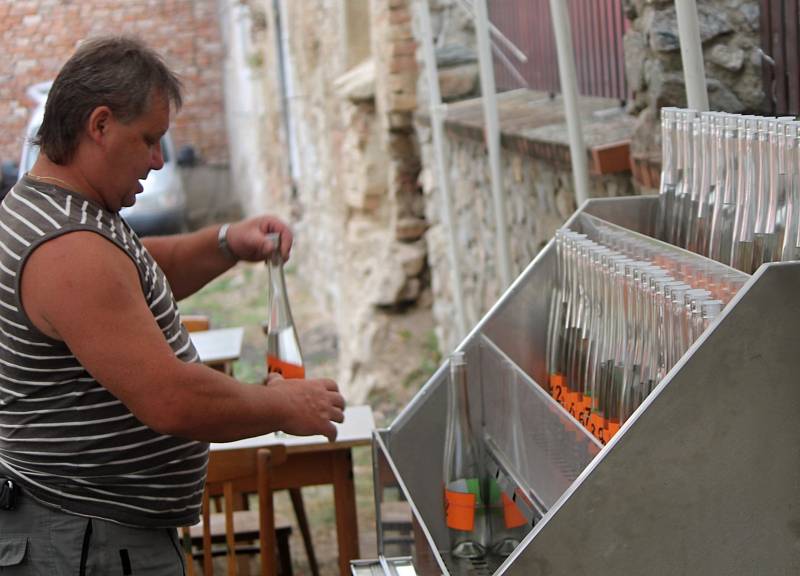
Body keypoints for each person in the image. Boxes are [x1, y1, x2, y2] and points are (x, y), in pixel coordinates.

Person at [0, 35, 345, 574]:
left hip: (89, 532)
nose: (159, 160)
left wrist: (227, 242)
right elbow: (170, 399)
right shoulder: (66, 246)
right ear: (100, 125)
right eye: (149, 140)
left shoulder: (65, 212)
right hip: (82, 539)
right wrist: (283, 406)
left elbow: (136, 275)